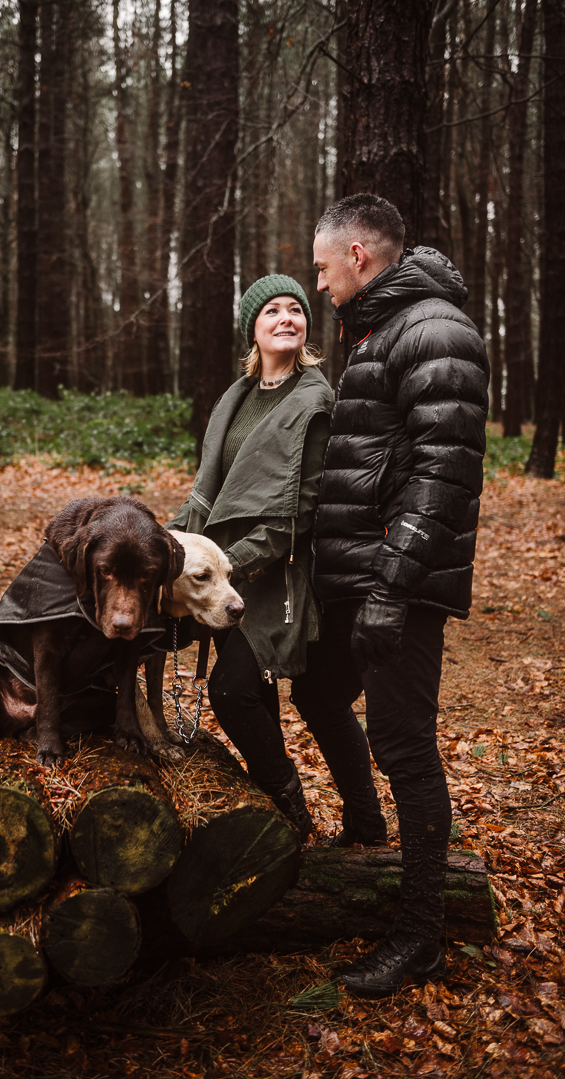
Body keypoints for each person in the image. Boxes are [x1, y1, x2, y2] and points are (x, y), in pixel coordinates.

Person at [293, 193, 489, 996]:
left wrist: (390, 588)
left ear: (359, 257)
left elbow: (445, 473)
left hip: (395, 584)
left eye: (321, 264)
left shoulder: (433, 328)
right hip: (359, 578)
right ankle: (365, 833)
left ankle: (420, 937)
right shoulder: (379, 328)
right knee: (315, 688)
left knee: (404, 749)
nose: (317, 281)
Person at [167, 275, 334, 838]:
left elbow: (302, 508)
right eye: (272, 312)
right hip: (219, 568)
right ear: (254, 329)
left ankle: (290, 807)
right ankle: (279, 824)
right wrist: (170, 544)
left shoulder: (313, 401)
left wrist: (223, 563)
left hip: (268, 571)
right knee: (255, 696)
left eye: (296, 310)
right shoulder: (233, 399)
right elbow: (205, 490)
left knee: (232, 691)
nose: (286, 318)